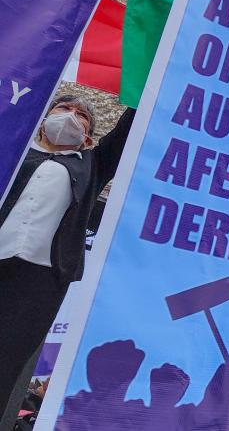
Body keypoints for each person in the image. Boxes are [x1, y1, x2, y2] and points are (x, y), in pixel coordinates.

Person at [0, 95, 135, 413]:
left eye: (82, 115)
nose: (72, 116)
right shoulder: (15, 149)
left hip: (41, 277)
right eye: (64, 109)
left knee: (7, 357)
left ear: (88, 136)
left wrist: (142, 88)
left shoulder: (92, 165)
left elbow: (126, 132)